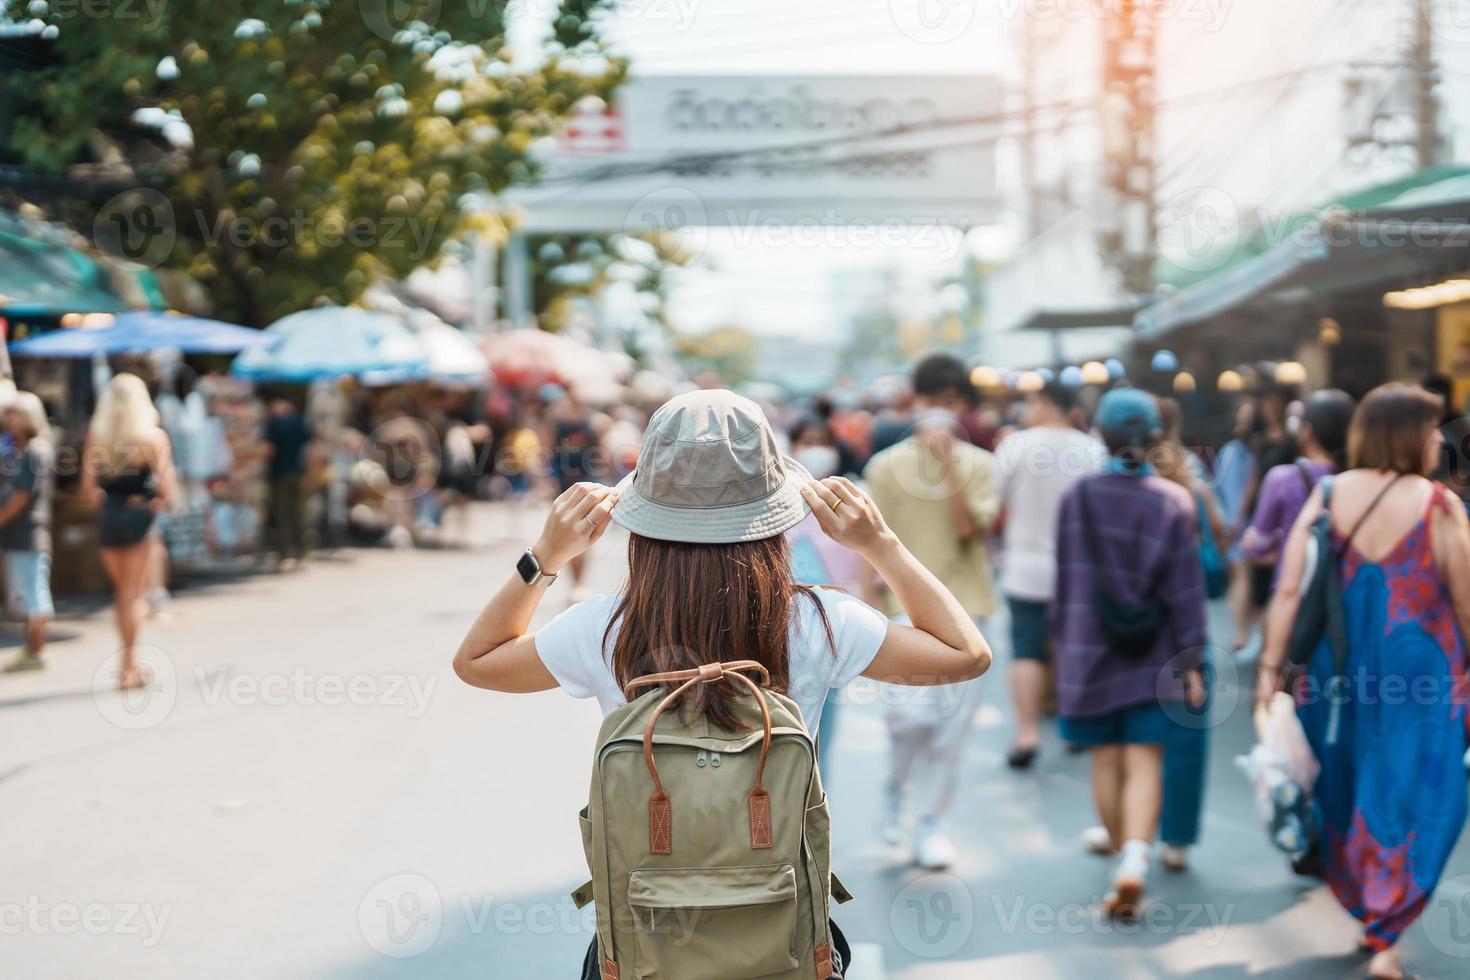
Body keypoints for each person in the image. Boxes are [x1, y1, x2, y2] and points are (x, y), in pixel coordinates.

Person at [451, 389, 991, 977]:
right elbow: (964, 654)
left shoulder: (605, 628)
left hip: (647, 949)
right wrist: (879, 545)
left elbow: (478, 661)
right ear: (771, 514)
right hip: (779, 937)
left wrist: (545, 556)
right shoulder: (816, 621)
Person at [1257, 383, 1470, 980]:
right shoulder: (1436, 504)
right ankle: (1388, 925)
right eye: (1430, 430)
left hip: (1339, 670)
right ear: (1405, 434)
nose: (1436, 441)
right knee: (1427, 788)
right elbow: (1467, 600)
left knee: (1349, 776)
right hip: (1424, 673)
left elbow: (1291, 588)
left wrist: (1272, 671)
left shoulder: (1326, 495)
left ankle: (1371, 909)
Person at [1053, 388, 1206, 918]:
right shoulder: (1173, 501)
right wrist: (1193, 664)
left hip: (1087, 649)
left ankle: (1123, 857)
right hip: (1155, 654)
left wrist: (1060, 653)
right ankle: (1137, 861)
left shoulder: (1077, 497)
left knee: (1106, 759)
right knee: (1147, 759)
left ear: (1101, 434)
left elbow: (1067, 580)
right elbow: (1186, 592)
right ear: (1157, 440)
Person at [864, 353, 1000, 869]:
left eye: (950, 404)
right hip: (900, 610)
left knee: (950, 727)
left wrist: (947, 468)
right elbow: (868, 543)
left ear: (962, 407)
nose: (939, 412)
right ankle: (898, 790)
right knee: (905, 718)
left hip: (967, 612)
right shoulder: (884, 466)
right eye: (931, 402)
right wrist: (861, 599)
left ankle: (930, 821)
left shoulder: (982, 467)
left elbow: (971, 531)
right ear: (915, 402)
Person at [993, 381, 1103, 768]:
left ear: (1043, 403)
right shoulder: (1092, 448)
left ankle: (1027, 733)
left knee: (1026, 649)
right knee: (1072, 645)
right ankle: (1075, 722)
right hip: (1077, 567)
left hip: (1025, 565)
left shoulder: (1016, 445)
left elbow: (996, 499)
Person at [81, 373, 178, 691]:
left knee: (121, 592)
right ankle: (128, 667)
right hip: (138, 518)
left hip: (110, 516)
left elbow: (87, 490)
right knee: (133, 594)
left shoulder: (99, 435)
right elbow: (168, 488)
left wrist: (111, 500)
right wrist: (148, 503)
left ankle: (128, 665)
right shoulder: (152, 437)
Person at [1242, 389, 1356, 578]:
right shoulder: (1362, 481)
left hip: (1296, 589)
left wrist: (1286, 547)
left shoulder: (1283, 479)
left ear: (1306, 432)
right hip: (1348, 592)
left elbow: (1256, 546)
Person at [0, 393, 55, 673]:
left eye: (15, 415)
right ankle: (31, 649)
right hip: (20, 533)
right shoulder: (20, 450)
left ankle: (36, 650)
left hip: (27, 532)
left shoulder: (34, 451)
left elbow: (22, 497)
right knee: (26, 593)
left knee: (33, 593)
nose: (10, 421)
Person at [264, 395, 311, 570]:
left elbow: (270, 449)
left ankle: (284, 554)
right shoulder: (299, 421)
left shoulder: (275, 424)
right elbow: (310, 443)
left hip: (279, 473)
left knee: (282, 515)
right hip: (298, 472)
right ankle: (301, 553)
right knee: (298, 514)